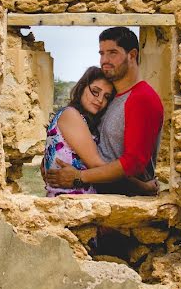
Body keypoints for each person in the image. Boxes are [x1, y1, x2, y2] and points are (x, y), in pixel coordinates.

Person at [45, 26, 163, 196]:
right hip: (99, 197)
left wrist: (79, 176)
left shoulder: (141, 97)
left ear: (132, 55)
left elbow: (134, 162)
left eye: (112, 53)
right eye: (101, 53)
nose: (105, 60)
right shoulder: (114, 98)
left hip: (125, 199)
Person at [43, 66, 115, 197]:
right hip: (70, 206)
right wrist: (141, 185)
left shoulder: (79, 119)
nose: (100, 100)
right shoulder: (71, 115)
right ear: (82, 87)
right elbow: (96, 164)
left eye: (107, 97)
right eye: (95, 91)